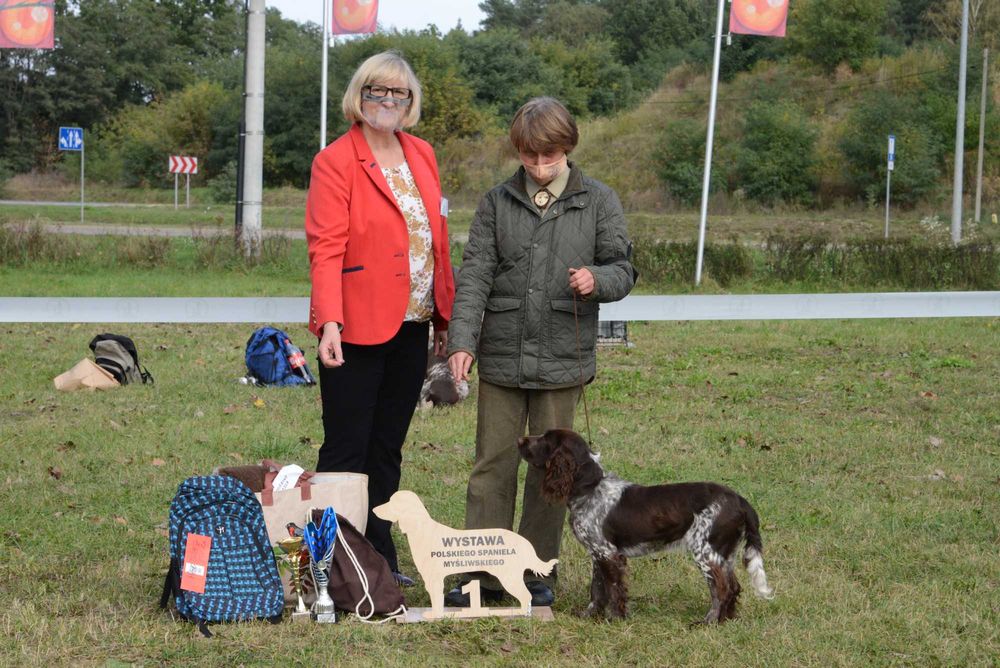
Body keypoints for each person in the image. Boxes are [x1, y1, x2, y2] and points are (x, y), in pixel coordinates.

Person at [445, 97, 637, 607]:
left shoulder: (599, 200)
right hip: (502, 358)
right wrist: (461, 342)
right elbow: (475, 278)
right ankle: (478, 575)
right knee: (492, 466)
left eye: (548, 156)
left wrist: (598, 279)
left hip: (562, 358)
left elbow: (623, 269)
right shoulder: (495, 202)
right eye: (529, 157)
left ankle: (532, 572)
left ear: (568, 147)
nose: (538, 166)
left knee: (553, 473)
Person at [304, 51, 455, 585]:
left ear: (410, 102)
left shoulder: (423, 154)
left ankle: (380, 561)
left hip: (413, 326)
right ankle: (332, 566)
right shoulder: (336, 160)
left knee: (387, 448)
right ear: (359, 96)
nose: (388, 101)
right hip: (354, 327)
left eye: (399, 94)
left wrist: (444, 316)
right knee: (346, 449)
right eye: (377, 91)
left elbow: (437, 239)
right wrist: (329, 323)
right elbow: (325, 248)